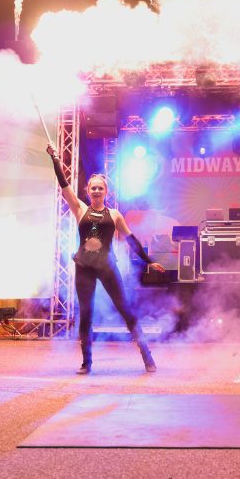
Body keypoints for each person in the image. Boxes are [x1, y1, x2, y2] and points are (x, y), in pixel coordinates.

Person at [47, 143, 165, 374]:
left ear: (106, 192)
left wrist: (148, 261)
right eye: (93, 188)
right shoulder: (80, 209)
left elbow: (131, 241)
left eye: (101, 188)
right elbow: (64, 185)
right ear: (87, 191)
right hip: (84, 267)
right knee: (86, 314)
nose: (97, 191)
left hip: (107, 267)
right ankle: (86, 362)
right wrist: (55, 160)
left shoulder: (115, 215)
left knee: (125, 310)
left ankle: (147, 357)